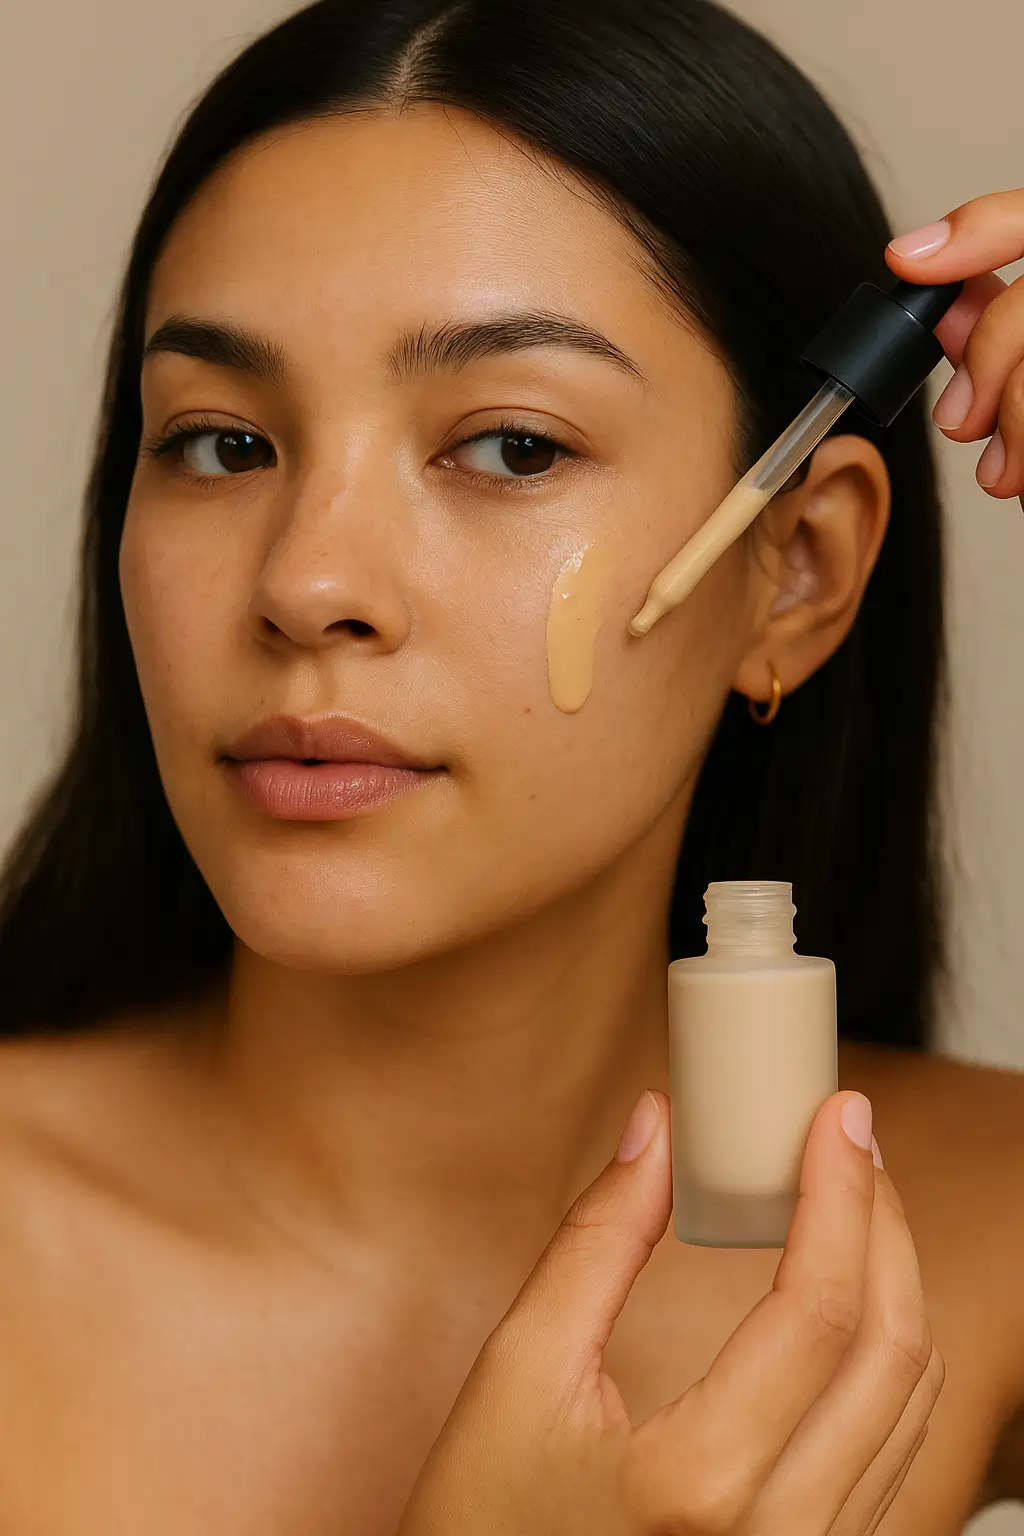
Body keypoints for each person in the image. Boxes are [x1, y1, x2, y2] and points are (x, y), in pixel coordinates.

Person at [0, 0, 1021, 1529]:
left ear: (795, 575)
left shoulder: (988, 1230)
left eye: (512, 448)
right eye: (219, 443)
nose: (308, 582)